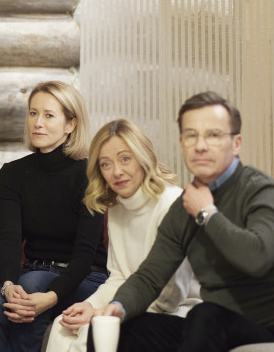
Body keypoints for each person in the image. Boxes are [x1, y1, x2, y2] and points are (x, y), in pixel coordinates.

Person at [92, 91, 274, 351]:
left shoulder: (263, 192)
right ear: (182, 144)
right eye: (191, 136)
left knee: (206, 315)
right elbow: (150, 276)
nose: (200, 146)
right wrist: (118, 307)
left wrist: (206, 213)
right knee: (109, 327)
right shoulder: (185, 205)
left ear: (236, 143)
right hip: (212, 327)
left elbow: (256, 258)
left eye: (213, 135)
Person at [0, 81, 108, 352]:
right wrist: (8, 284)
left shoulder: (90, 175)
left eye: (49, 115)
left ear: (70, 124)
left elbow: (85, 254)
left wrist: (52, 297)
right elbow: (10, 238)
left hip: (85, 277)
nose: (38, 122)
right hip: (32, 272)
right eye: (33, 113)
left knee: (32, 286)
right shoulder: (12, 174)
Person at [44, 119, 200, 352]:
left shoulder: (171, 204)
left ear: (142, 157)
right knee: (61, 326)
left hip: (179, 312)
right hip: (132, 305)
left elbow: (170, 297)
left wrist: (104, 313)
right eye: (106, 164)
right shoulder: (117, 208)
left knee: (94, 331)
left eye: (125, 159)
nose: (116, 171)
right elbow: (118, 276)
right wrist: (90, 306)